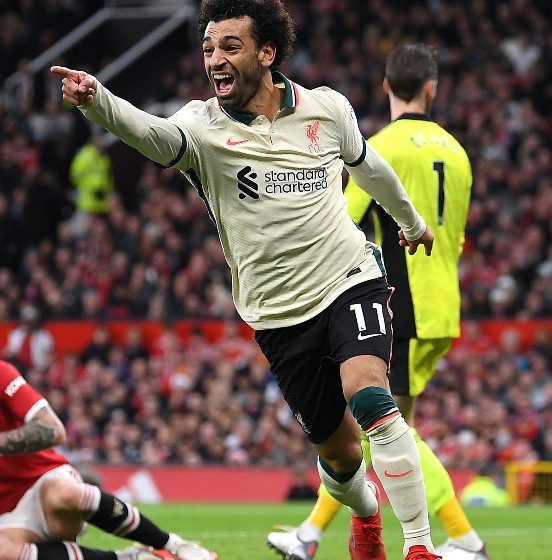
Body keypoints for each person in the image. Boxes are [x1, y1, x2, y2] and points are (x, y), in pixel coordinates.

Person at [50, 2, 439, 559]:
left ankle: (420, 547)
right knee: (342, 457)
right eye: (208, 48)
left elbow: (368, 166)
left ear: (267, 52)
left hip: (349, 275)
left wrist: (412, 223)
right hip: (278, 313)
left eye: (230, 46)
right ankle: (367, 515)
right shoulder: (201, 127)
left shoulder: (327, 109)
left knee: (372, 395)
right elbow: (153, 136)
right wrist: (99, 101)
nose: (215, 59)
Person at [267, 43, 488, 560]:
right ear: (432, 88)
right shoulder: (457, 152)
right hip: (443, 303)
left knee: (386, 426)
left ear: (387, 86)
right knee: (383, 428)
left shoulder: (381, 147)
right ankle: (309, 534)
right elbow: (457, 236)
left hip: (401, 302)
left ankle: (464, 539)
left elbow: (341, 219)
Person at [0, 359, 217, 560]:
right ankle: (131, 558)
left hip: (43, 482)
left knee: (64, 494)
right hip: (10, 517)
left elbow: (54, 430)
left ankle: (173, 545)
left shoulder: (2, 373)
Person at [5, 304, 54, 372]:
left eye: (31, 321)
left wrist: (43, 369)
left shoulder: (44, 336)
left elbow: (49, 355)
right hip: (18, 367)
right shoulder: (16, 334)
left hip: (38, 369)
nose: (29, 324)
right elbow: (11, 351)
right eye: (26, 321)